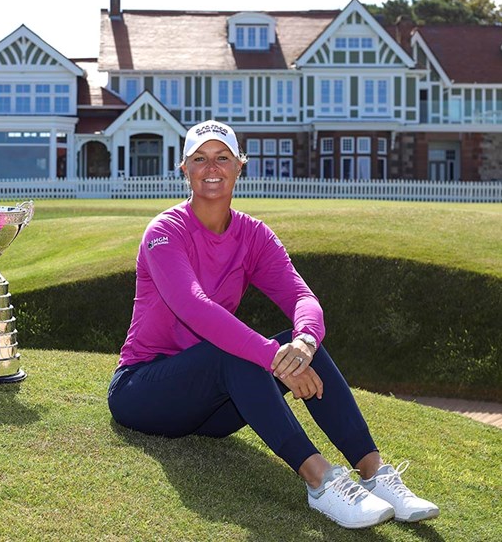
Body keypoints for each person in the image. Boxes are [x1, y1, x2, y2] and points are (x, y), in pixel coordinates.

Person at [107, 120, 439, 529]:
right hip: (142, 390)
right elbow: (195, 307)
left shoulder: (254, 235)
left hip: (210, 409)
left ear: (239, 167)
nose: (212, 168)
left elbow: (303, 298)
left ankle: (374, 473)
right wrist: (271, 356)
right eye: (200, 159)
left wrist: (303, 343)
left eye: (222, 158)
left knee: (288, 347)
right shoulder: (165, 231)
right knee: (238, 351)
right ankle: (322, 482)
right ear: (185, 169)